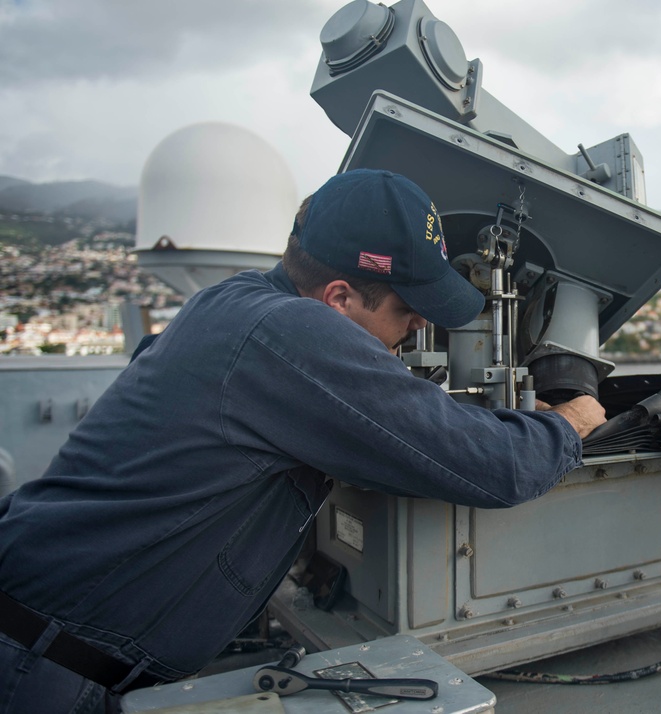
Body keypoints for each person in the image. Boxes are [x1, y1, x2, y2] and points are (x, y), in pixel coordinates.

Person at [0, 169, 605, 713]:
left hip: (49, 635)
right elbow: (496, 466)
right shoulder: (293, 331)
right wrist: (572, 419)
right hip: (43, 670)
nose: (422, 324)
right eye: (408, 309)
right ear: (338, 299)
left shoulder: (235, 300)